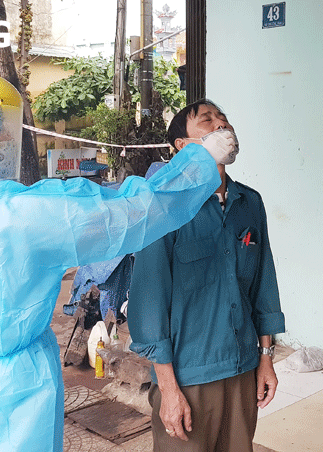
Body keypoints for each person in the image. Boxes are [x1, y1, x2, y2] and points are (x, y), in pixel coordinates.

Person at [0, 74, 239, 452]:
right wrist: (200, 161)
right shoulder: (17, 215)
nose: (0, 142)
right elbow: (129, 213)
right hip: (11, 398)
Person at [128, 99, 286, 451]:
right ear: (183, 146)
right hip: (189, 376)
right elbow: (150, 304)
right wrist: (168, 390)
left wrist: (265, 358)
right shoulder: (163, 206)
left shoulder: (250, 203)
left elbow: (263, 286)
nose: (221, 125)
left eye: (224, 119)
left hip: (243, 367)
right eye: (207, 120)